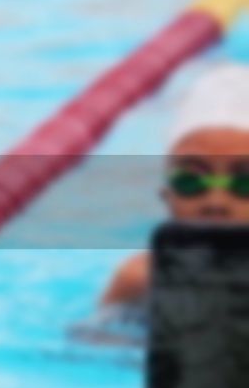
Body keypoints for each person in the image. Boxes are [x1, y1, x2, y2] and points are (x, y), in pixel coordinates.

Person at [100, 63, 249, 307]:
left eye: (244, 182)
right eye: (190, 181)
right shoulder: (140, 281)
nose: (216, 202)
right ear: (167, 195)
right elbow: (94, 342)